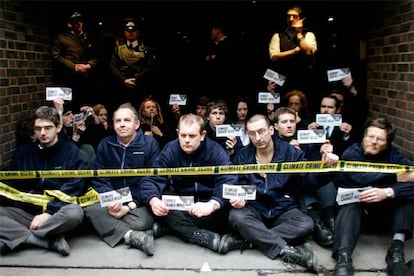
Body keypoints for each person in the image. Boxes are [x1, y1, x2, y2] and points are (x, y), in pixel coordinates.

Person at [228, 114, 339, 273]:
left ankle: (249, 240)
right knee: (236, 216)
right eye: (252, 133)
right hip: (255, 208)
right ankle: (286, 251)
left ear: (271, 130)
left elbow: (309, 181)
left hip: (283, 207)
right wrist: (240, 197)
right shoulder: (243, 156)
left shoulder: (291, 153)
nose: (257, 137)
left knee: (306, 224)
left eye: (261, 131)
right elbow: (237, 183)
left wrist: (325, 167)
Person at [140, 113, 248, 254]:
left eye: (192, 136)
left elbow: (229, 179)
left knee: (233, 211)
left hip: (209, 202)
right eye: (183, 135)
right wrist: (153, 201)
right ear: (177, 133)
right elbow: (151, 178)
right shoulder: (171, 149)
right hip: (182, 203)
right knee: (159, 203)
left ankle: (173, 228)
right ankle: (197, 235)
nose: (186, 141)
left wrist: (213, 204)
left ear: (202, 135)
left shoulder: (215, 150)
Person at [332, 116, 414, 276]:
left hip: (384, 217)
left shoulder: (394, 155)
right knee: (352, 202)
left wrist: (388, 192)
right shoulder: (351, 153)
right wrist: (396, 177)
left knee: (406, 198)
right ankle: (344, 257)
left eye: (380, 139)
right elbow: (362, 177)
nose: (373, 142)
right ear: (364, 136)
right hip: (355, 217)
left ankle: (396, 249)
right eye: (370, 136)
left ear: (388, 143)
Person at [0, 106, 85, 256]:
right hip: (26, 212)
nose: (43, 133)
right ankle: (43, 240)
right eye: (38, 129)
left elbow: (75, 187)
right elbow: (10, 181)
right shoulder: (24, 152)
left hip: (57, 213)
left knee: (75, 213)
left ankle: (17, 237)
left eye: (48, 128)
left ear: (58, 127)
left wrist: (49, 213)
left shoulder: (71, 152)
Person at [84, 102, 160, 256]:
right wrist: (110, 199)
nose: (122, 125)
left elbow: (152, 179)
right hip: (112, 199)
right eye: (118, 121)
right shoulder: (105, 144)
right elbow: (99, 176)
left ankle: (111, 227)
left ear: (136, 124)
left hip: (138, 201)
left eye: (127, 120)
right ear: (113, 124)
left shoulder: (150, 144)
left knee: (143, 220)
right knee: (90, 210)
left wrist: (130, 205)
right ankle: (132, 236)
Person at [273, 107, 337, 248]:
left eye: (292, 121)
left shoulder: (306, 139)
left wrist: (324, 157)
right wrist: (288, 154)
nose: (289, 125)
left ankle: (332, 221)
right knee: (302, 190)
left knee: (328, 184)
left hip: (308, 181)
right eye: (284, 122)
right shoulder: (271, 143)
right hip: (287, 187)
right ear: (276, 126)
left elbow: (314, 173)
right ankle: (317, 224)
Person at [268, 5, 318, 109]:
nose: (291, 19)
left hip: (304, 80)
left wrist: (299, 34)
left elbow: (308, 52)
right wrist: (296, 51)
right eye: (288, 16)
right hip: (283, 82)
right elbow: (274, 56)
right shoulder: (278, 35)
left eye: (294, 16)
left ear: (300, 18)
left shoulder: (308, 34)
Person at [51, 11, 100, 110]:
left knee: (87, 107)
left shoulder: (90, 38)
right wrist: (74, 67)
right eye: (75, 22)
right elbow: (56, 55)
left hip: (87, 79)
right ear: (70, 24)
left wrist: (88, 66)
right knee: (70, 107)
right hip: (69, 79)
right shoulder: (62, 38)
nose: (78, 24)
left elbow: (98, 56)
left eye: (80, 21)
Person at [110, 18, 157, 109]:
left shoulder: (145, 49)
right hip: (122, 87)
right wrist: (123, 80)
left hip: (139, 86)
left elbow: (150, 67)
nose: (131, 33)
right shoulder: (118, 49)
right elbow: (112, 66)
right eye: (128, 30)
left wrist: (136, 79)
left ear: (137, 32)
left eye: (133, 30)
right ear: (124, 32)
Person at [200, 22, 245, 103]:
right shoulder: (210, 45)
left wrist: (213, 59)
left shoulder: (231, 44)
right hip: (212, 88)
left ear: (218, 30)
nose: (210, 32)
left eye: (212, 30)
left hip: (227, 87)